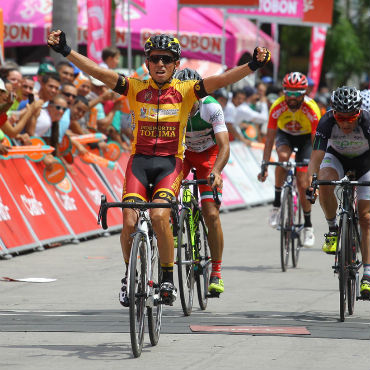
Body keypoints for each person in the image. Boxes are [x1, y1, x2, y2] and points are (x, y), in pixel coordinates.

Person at [47, 29, 270, 306]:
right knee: (128, 220)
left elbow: (223, 79)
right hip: (138, 162)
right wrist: (66, 50)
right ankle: (129, 276)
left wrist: (254, 65)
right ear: (147, 63)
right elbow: (98, 72)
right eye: (154, 59)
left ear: (176, 64)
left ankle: (167, 277)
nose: (160, 64)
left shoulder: (188, 91)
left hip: (170, 163)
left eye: (166, 59)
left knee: (160, 217)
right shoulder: (135, 88)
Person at [307, 86, 370, 299]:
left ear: (358, 114)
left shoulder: (367, 122)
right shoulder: (326, 121)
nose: (344, 123)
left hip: (365, 163)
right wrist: (311, 180)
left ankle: (368, 275)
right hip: (337, 158)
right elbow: (316, 155)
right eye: (340, 118)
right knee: (324, 180)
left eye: (350, 118)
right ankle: (333, 229)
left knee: (366, 217)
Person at [174, 68, 229, 295]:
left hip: (209, 155)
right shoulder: (172, 106)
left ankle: (216, 271)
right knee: (164, 188)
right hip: (183, 154)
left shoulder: (211, 107)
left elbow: (225, 146)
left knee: (211, 214)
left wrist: (216, 171)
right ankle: (172, 220)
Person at [258, 72, 321, 247]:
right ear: (283, 91)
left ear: (304, 92)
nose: (292, 98)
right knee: (283, 158)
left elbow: (316, 144)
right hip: (284, 135)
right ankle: (277, 205)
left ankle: (308, 226)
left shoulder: (312, 108)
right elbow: (269, 139)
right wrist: (264, 164)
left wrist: (314, 173)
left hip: (306, 139)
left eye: (296, 94)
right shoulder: (277, 106)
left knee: (303, 182)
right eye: (288, 93)